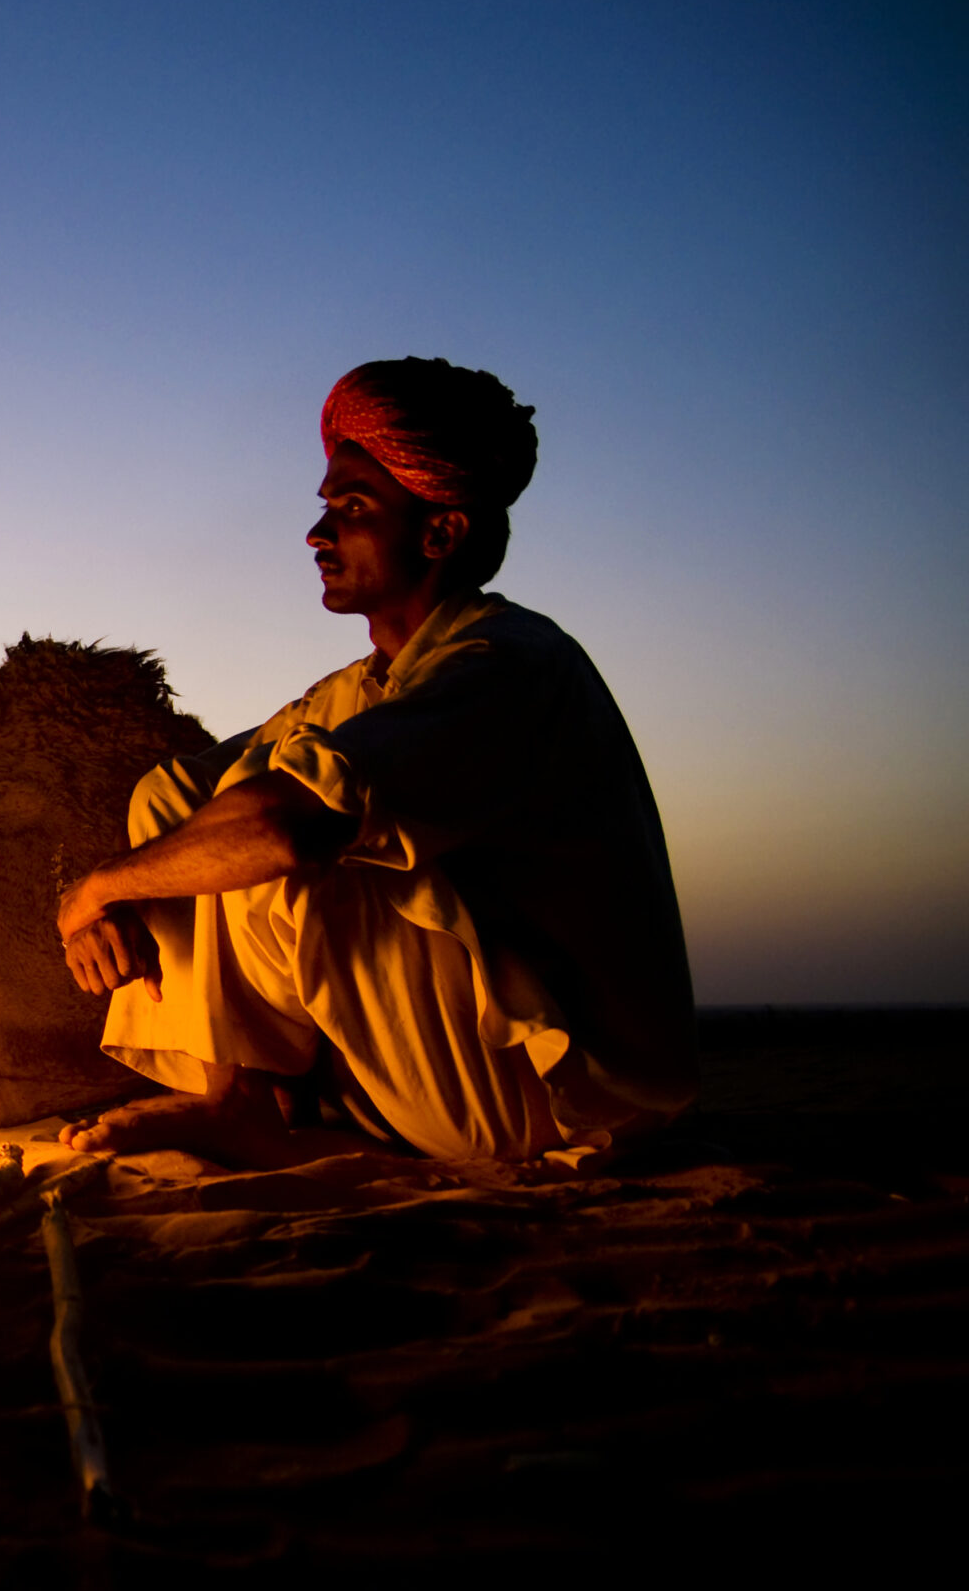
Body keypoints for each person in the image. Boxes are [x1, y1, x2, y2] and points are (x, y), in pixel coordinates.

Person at [53, 360, 692, 1165]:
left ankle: (241, 1103)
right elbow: (183, 793)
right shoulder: (365, 689)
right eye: (325, 510)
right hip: (427, 1073)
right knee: (181, 795)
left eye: (352, 510)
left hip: (546, 1100)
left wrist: (97, 889)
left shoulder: (508, 665)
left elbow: (286, 824)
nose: (318, 537)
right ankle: (240, 1092)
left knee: (276, 816)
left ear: (440, 533)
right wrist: (123, 884)